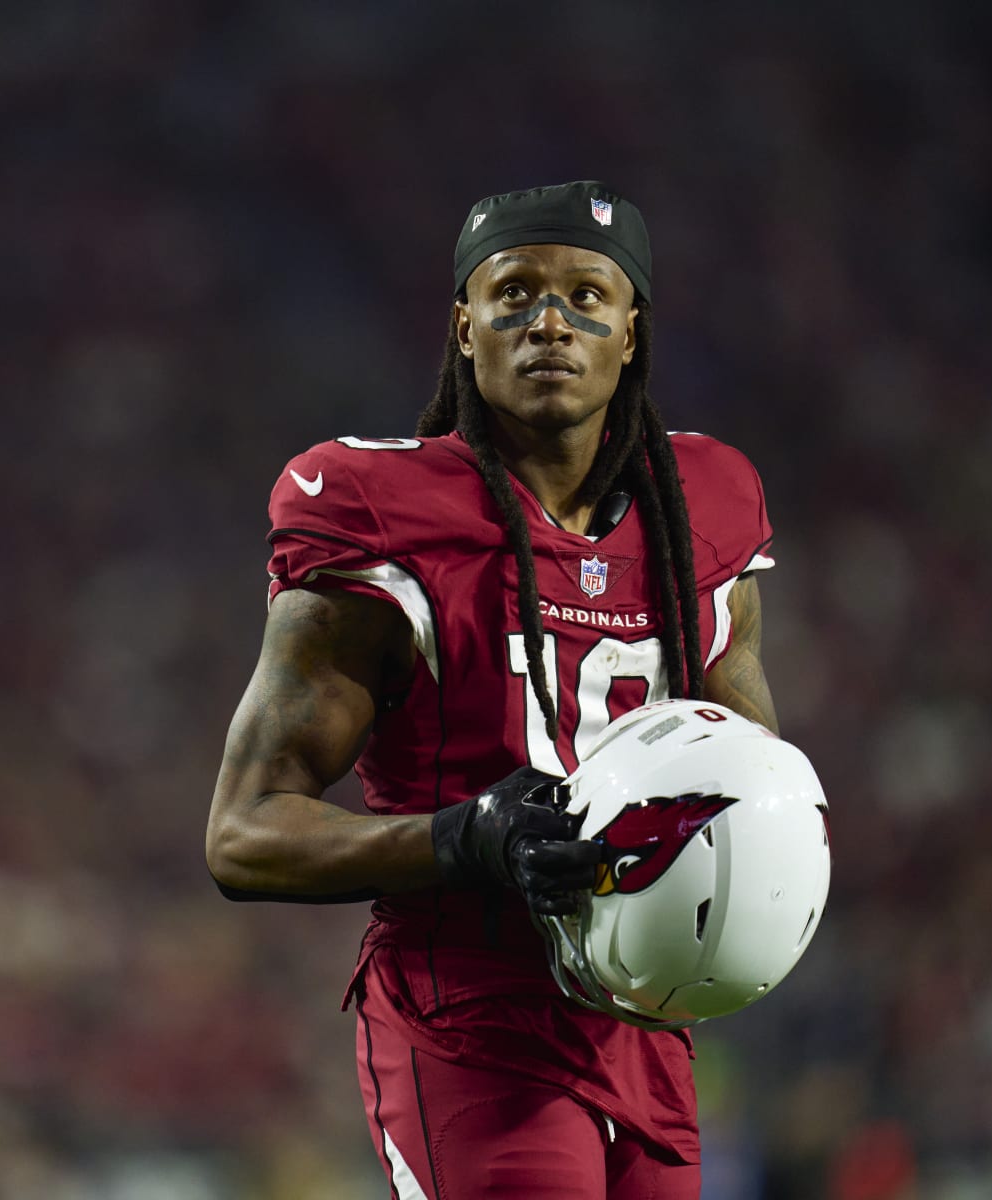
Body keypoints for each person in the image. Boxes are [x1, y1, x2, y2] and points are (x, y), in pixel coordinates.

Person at [205, 180, 781, 1198]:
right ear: (464, 327)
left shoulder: (709, 505)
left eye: (587, 297)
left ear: (633, 331)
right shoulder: (377, 508)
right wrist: (466, 838)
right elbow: (244, 833)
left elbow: (750, 773)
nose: (549, 321)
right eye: (513, 293)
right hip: (470, 1016)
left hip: (648, 1025)